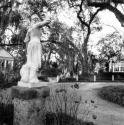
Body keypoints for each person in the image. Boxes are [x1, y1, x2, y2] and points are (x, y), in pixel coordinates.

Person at [19, 19, 50, 84]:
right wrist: (47, 20)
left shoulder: (29, 30)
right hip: (36, 44)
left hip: (30, 44)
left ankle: (25, 77)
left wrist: (27, 52)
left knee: (30, 62)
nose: (36, 20)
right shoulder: (36, 25)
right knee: (35, 61)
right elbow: (46, 22)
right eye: (35, 19)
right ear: (33, 20)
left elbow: (26, 41)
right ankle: (32, 79)